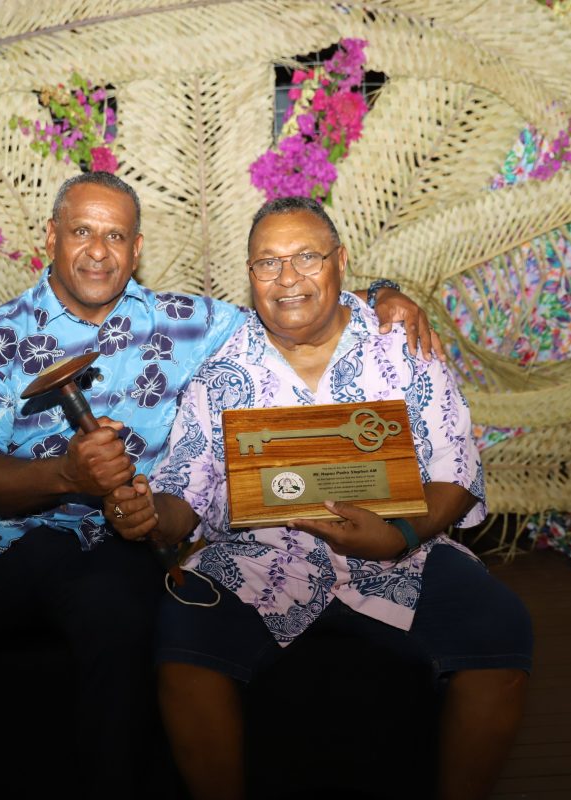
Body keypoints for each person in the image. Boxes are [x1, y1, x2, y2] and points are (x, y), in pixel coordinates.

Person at [0, 173, 443, 798]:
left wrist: (383, 294)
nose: (98, 251)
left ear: (137, 250)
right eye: (81, 231)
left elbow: (293, 300)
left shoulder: (190, 322)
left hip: (119, 537)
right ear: (51, 237)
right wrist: (65, 475)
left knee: (125, 633)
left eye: (115, 236)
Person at [103, 196, 533, 800]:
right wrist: (152, 515)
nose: (287, 279)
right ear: (249, 275)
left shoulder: (403, 345)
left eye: (306, 256)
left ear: (340, 261)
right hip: (257, 562)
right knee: (184, 645)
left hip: (401, 553)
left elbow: (455, 467)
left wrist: (401, 534)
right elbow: (183, 493)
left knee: (499, 630)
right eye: (267, 263)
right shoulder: (221, 373)